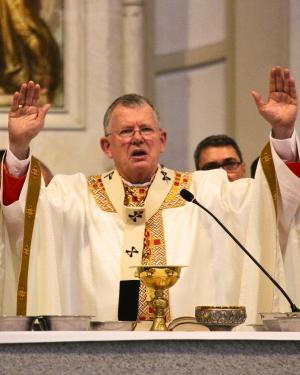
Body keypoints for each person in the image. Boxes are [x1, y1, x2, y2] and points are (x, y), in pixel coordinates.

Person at [0, 66, 299, 327]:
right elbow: (23, 216)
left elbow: (269, 202)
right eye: (126, 131)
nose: (138, 138)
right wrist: (18, 148)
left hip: (190, 349)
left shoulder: (205, 193)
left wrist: (283, 133)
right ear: (106, 146)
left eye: (146, 129)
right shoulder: (75, 197)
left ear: (162, 140)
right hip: (97, 353)